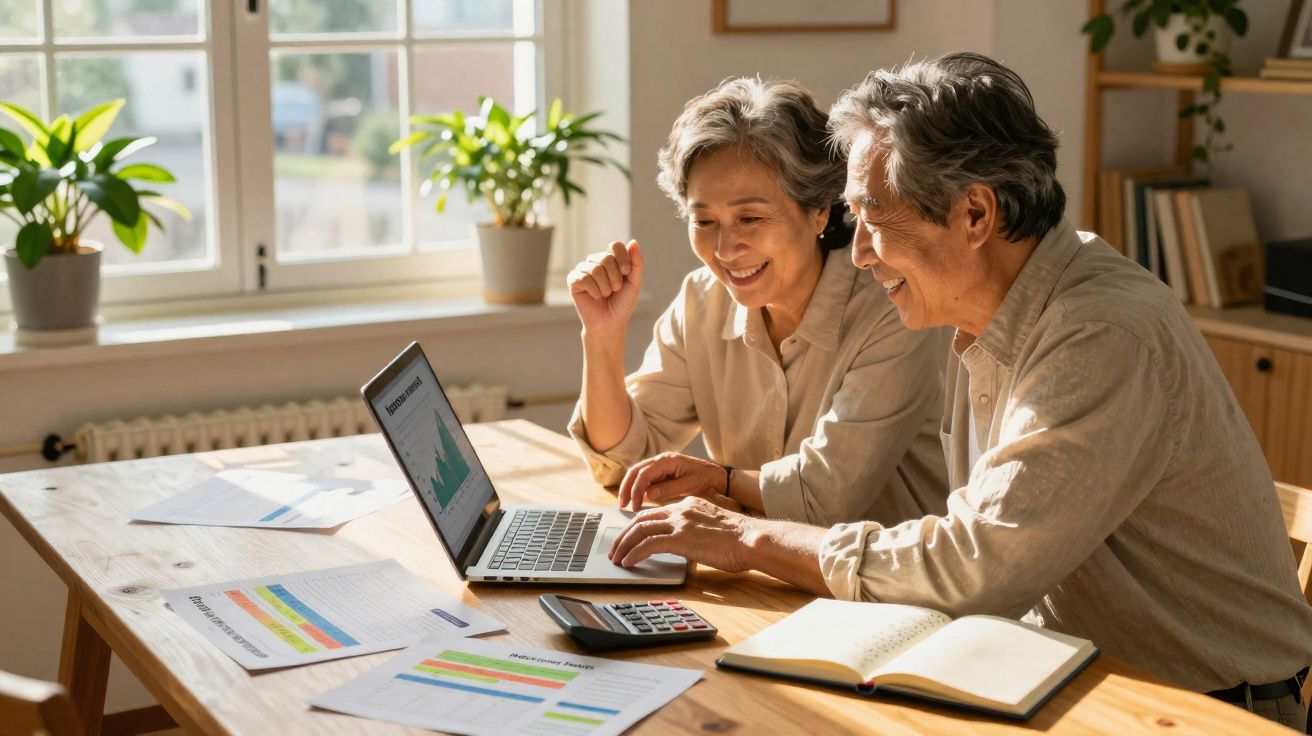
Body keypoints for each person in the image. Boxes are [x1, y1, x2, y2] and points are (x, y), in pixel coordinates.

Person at [605, 53, 1312, 730]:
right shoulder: (986, 313)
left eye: (875, 217)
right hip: (1067, 670)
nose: (859, 252)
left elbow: (976, 562)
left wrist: (749, 536)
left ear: (976, 215)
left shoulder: (1097, 333)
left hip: (1202, 708)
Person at [566, 77, 948, 527]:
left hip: (877, 589)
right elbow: (618, 461)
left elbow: (826, 499)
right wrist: (602, 335)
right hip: (759, 573)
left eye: (750, 217)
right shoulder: (700, 301)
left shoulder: (890, 311)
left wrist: (717, 480)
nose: (726, 249)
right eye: (704, 220)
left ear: (820, 210)